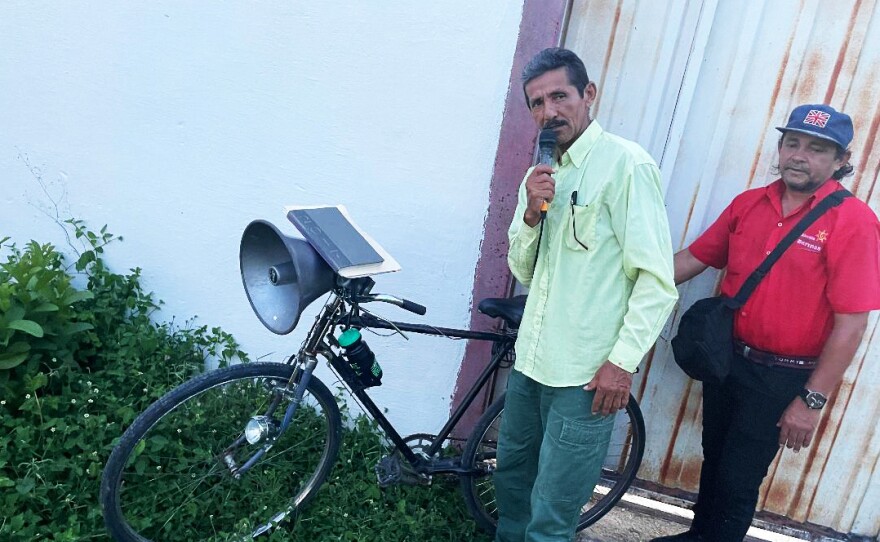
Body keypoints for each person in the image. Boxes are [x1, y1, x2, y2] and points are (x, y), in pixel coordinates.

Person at [655, 104, 880, 542]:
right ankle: (700, 536)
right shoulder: (748, 204)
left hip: (783, 377)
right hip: (727, 361)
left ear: (840, 161)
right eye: (792, 143)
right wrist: (622, 285)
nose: (799, 155)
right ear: (779, 148)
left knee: (740, 477)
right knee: (714, 456)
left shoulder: (854, 223)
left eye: (817, 149)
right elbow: (692, 260)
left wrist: (810, 401)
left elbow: (851, 325)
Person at [495, 47, 678, 541]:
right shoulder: (540, 174)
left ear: (588, 95)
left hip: (585, 379)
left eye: (559, 96)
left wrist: (621, 363)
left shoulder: (626, 165)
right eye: (536, 103)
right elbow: (522, 269)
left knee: (553, 511)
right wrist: (532, 214)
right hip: (531, 365)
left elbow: (657, 282)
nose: (548, 112)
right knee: (511, 489)